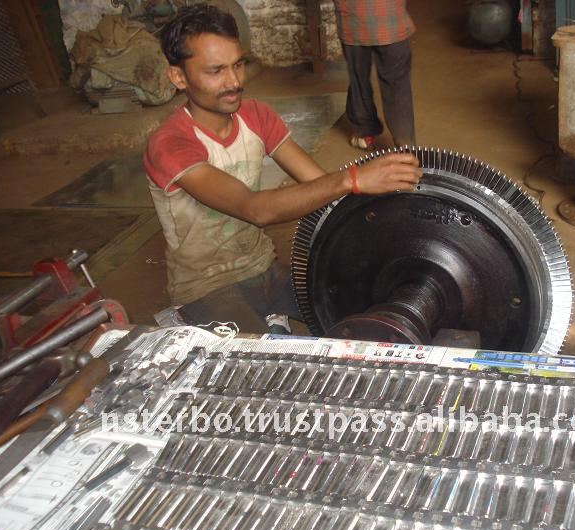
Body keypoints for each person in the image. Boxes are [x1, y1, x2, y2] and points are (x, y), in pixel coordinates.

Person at [144, 5, 421, 332]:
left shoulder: (256, 116)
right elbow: (255, 209)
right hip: (205, 286)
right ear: (178, 77)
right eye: (215, 71)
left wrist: (389, 224)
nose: (234, 82)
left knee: (364, 310)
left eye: (238, 65)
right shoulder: (170, 144)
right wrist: (353, 179)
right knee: (262, 366)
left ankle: (272, 317)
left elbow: (319, 185)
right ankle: (203, 320)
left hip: (264, 268)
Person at [332, 0, 416, 150]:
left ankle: (365, 133)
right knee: (397, 83)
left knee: (359, 79)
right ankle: (404, 144)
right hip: (392, 20)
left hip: (353, 21)